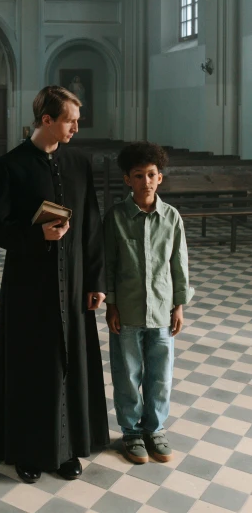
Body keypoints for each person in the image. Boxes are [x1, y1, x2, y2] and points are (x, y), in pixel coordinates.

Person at [0, 85, 109, 484]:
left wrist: (95, 281)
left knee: (71, 362)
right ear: (47, 120)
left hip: (72, 282)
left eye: (77, 120)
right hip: (28, 282)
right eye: (70, 120)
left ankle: (67, 449)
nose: (76, 128)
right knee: (32, 365)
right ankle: (27, 450)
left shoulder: (78, 162)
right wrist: (38, 238)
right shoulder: (9, 166)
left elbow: (90, 225)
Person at [103, 142, 194, 464]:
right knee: (127, 374)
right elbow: (109, 265)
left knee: (160, 375)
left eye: (151, 175)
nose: (146, 181)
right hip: (126, 310)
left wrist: (179, 305)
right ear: (127, 179)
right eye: (138, 175)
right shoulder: (115, 217)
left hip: (162, 310)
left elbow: (179, 264)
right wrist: (111, 305)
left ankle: (155, 429)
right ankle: (130, 431)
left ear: (160, 178)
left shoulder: (171, 218)